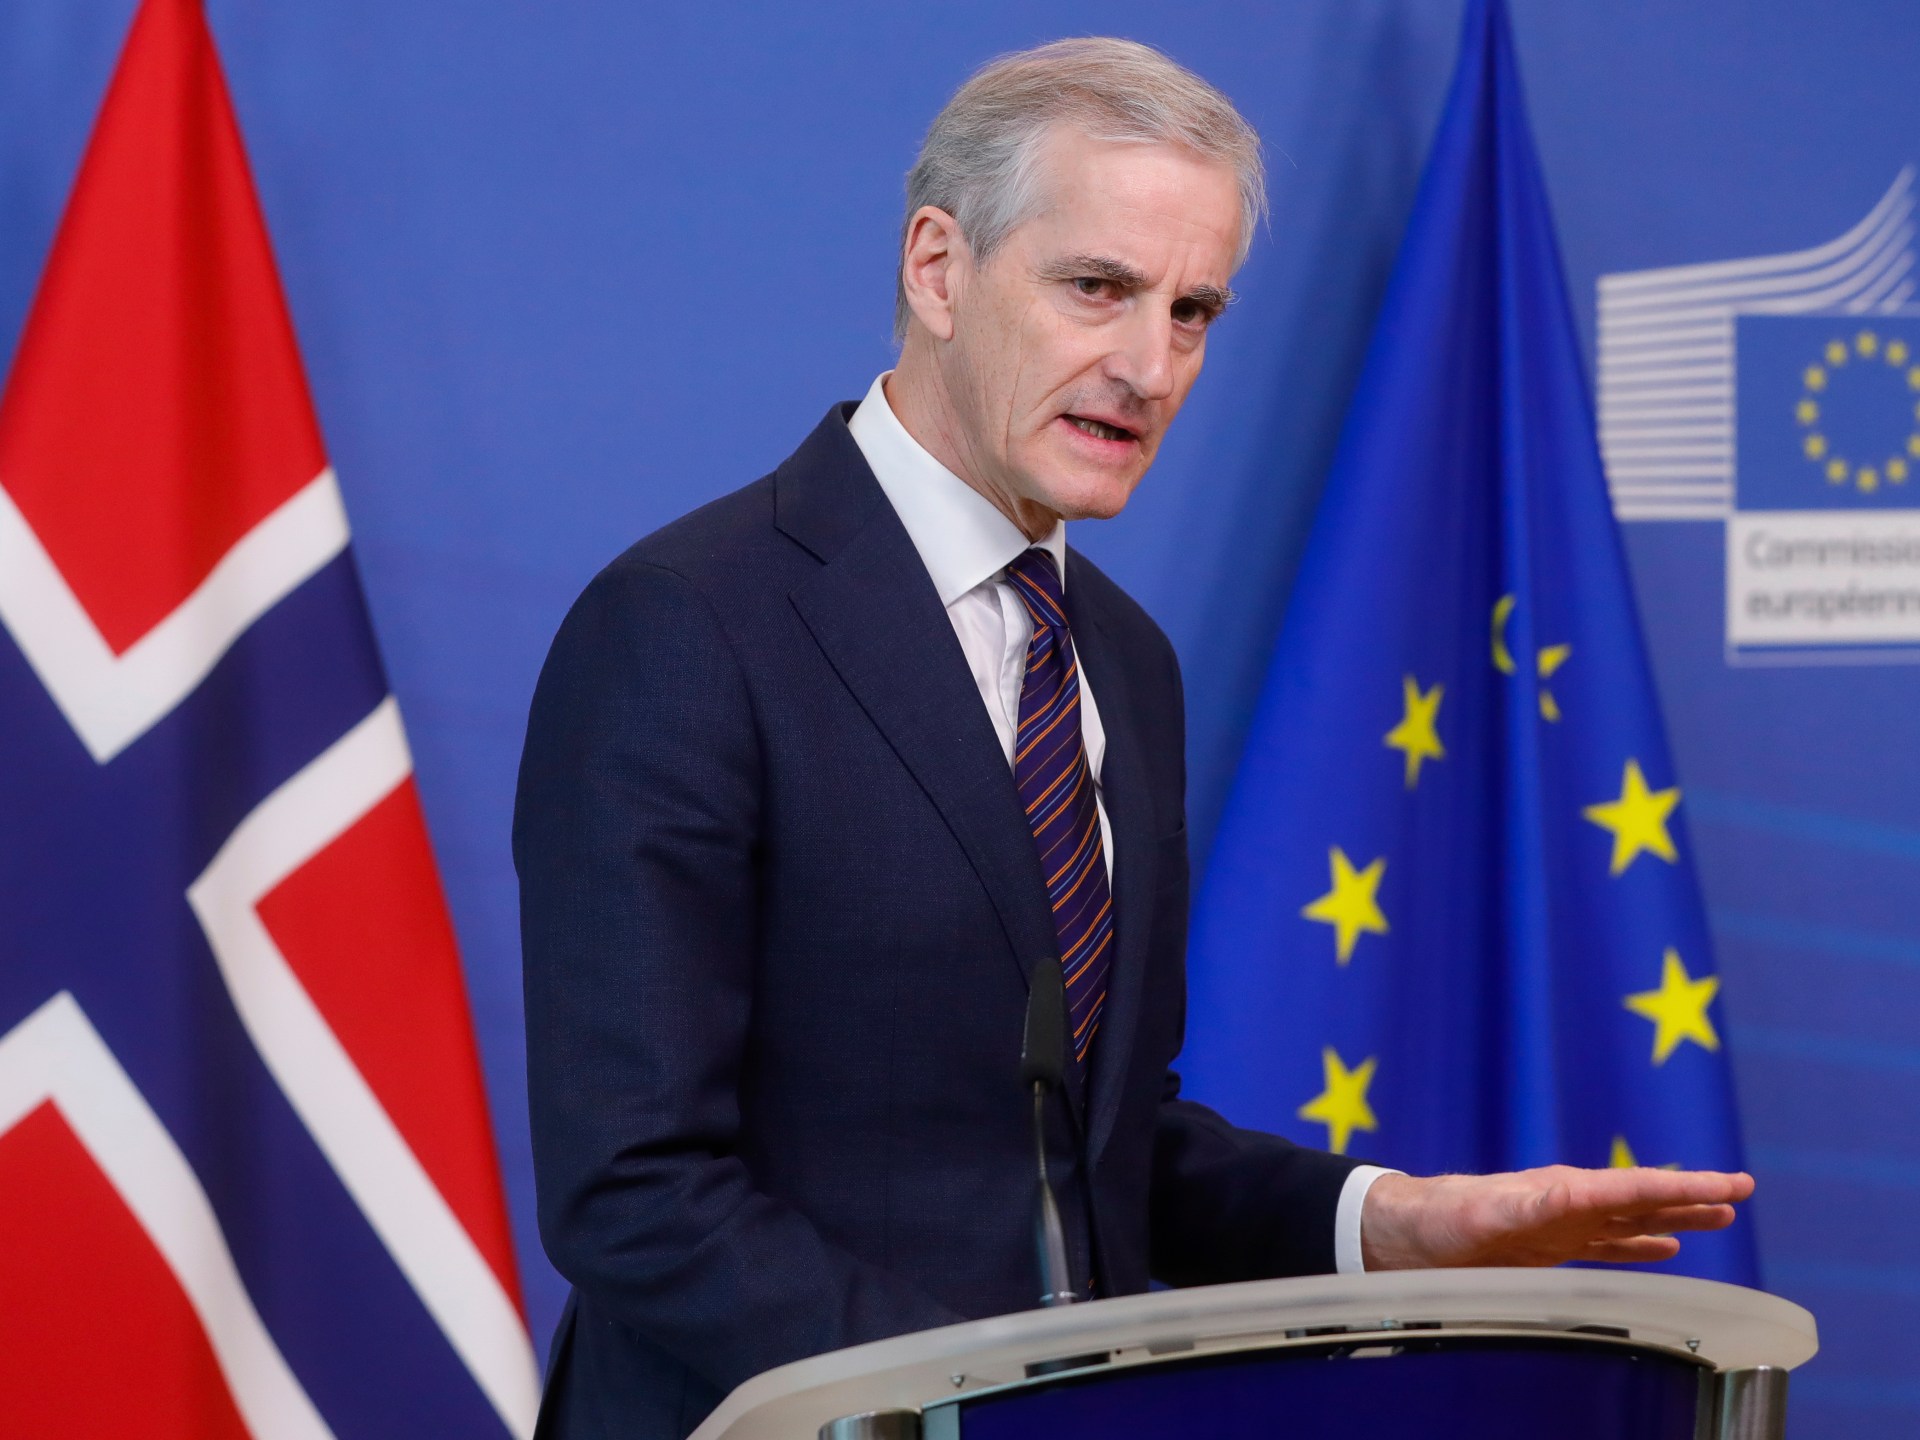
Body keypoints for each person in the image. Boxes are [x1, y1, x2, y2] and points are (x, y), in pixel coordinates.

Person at [513, 37, 1752, 1440]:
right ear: (939, 268)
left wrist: (1390, 1223)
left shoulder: (1121, 655)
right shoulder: (687, 621)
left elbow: (1093, 1151)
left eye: (1193, 310)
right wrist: (985, 1411)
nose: (1150, 366)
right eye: (1097, 287)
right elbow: (637, 1189)